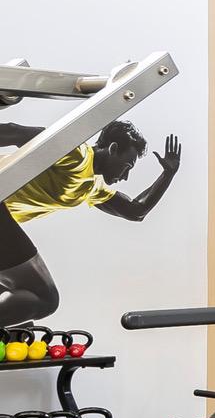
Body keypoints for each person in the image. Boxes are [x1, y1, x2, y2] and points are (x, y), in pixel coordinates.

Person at [0, 122, 181, 325]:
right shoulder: (77, 155)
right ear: (113, 149)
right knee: (45, 299)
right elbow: (17, 132)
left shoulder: (91, 187)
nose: (125, 176)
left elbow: (135, 211)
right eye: (127, 166)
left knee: (20, 306)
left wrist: (168, 174)